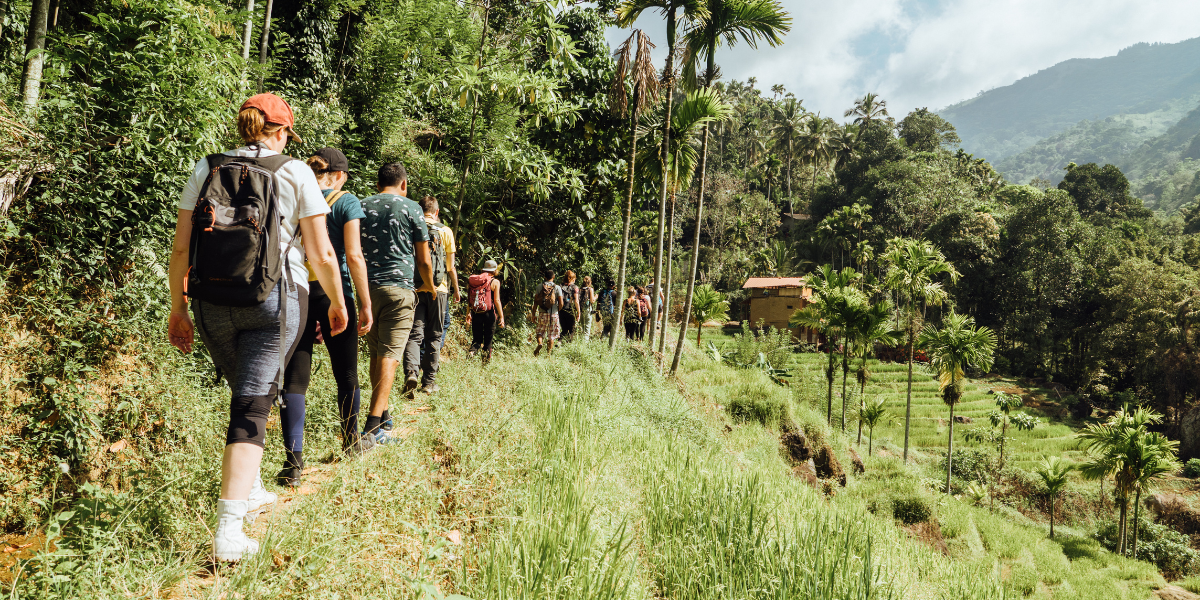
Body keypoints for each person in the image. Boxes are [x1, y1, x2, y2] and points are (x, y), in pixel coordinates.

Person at [167, 93, 348, 561]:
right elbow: (321, 252)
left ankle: (250, 488)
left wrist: (178, 308)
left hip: (210, 300)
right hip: (275, 298)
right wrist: (337, 303)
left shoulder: (207, 167)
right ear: (282, 131)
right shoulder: (295, 171)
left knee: (246, 394)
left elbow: (182, 248)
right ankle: (229, 531)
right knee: (252, 403)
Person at [277, 148, 376, 488]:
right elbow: (354, 255)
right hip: (334, 292)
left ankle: (293, 463)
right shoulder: (346, 201)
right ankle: (350, 441)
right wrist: (364, 303)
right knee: (346, 372)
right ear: (340, 175)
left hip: (295, 290)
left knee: (294, 377)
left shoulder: (293, 194)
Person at [360, 162, 434, 443]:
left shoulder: (362, 206)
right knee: (390, 356)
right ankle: (371, 428)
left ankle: (384, 417)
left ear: (378, 183)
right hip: (399, 290)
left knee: (377, 354)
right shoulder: (412, 207)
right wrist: (429, 286)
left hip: (368, 291)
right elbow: (424, 260)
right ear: (403, 184)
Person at [408, 195, 458, 395]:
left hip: (415, 287)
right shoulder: (445, 231)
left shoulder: (412, 227)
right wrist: (456, 289)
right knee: (434, 336)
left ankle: (411, 373)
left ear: (419, 211)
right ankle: (428, 383)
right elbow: (450, 267)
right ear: (437, 212)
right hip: (439, 289)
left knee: (414, 334)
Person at [467, 260, 505, 364]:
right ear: (495, 270)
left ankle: (471, 353)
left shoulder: (475, 281)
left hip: (476, 313)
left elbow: (469, 299)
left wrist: (468, 313)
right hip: (489, 314)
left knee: (476, 340)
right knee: (488, 341)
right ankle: (485, 364)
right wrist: (501, 316)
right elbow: (497, 300)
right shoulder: (495, 282)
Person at [532, 268, 563, 356]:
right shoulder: (557, 288)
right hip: (553, 313)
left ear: (544, 277)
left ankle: (540, 343)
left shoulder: (539, 287)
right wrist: (557, 310)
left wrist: (533, 314)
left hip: (542, 313)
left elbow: (535, 302)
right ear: (554, 277)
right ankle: (548, 354)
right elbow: (561, 303)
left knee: (540, 331)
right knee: (551, 335)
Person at [560, 270, 580, 342]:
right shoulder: (575, 288)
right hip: (570, 310)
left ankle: (559, 342)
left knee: (564, 329)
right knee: (571, 330)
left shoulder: (560, 286)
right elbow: (576, 301)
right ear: (573, 279)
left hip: (561, 309)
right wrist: (578, 312)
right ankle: (568, 343)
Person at [579, 275, 596, 340]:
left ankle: (581, 340)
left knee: (583, 328)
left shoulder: (580, 289)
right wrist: (596, 297)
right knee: (587, 328)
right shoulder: (590, 289)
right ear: (590, 282)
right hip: (588, 310)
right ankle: (585, 342)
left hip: (581, 310)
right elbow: (592, 301)